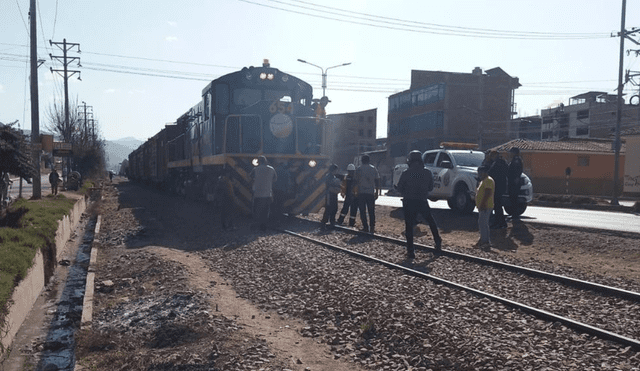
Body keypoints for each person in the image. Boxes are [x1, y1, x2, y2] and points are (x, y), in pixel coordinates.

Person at [397, 150, 442, 259]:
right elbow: (431, 188)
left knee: (409, 226)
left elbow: (399, 188)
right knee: (431, 221)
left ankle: (411, 251)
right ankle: (438, 241)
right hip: (422, 200)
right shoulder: (427, 172)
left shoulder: (406, 173)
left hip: (409, 201)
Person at [250, 156, 277, 231]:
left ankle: (256, 226)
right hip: (268, 194)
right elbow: (275, 179)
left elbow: (250, 177)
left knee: (257, 211)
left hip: (257, 194)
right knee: (265, 211)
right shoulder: (271, 169)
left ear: (258, 162)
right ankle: (263, 227)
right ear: (266, 161)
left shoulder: (255, 169)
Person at [355, 154, 380, 234]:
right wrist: (377, 192)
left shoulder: (359, 169)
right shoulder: (373, 169)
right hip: (370, 193)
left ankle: (365, 227)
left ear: (362, 161)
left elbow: (355, 181)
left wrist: (355, 192)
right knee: (371, 211)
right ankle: (372, 227)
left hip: (361, 193)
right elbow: (377, 181)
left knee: (362, 211)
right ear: (369, 160)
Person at [487, 150, 508, 229]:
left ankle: (500, 222)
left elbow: (491, 173)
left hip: (497, 186)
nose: (491, 157)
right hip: (501, 186)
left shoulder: (497, 163)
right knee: (497, 205)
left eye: (491, 155)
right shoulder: (503, 162)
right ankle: (500, 222)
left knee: (497, 206)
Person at [476, 165, 494, 249]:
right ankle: (482, 240)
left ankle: (485, 241)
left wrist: (482, 203)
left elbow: (488, 193)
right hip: (483, 205)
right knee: (482, 223)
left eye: (480, 172)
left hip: (486, 206)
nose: (479, 174)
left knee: (483, 224)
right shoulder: (483, 181)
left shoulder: (488, 180)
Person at [320, 164, 341, 228]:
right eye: (336, 170)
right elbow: (328, 186)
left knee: (334, 208)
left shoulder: (332, 176)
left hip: (333, 194)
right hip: (329, 194)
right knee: (329, 208)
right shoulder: (329, 177)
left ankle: (331, 221)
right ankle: (325, 221)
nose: (337, 171)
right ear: (333, 170)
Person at [508, 147, 523, 219]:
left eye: (511, 152)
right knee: (513, 198)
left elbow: (517, 171)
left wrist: (516, 180)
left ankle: (515, 214)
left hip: (514, 182)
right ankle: (514, 214)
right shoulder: (515, 159)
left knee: (514, 198)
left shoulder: (516, 160)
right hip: (513, 181)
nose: (510, 153)